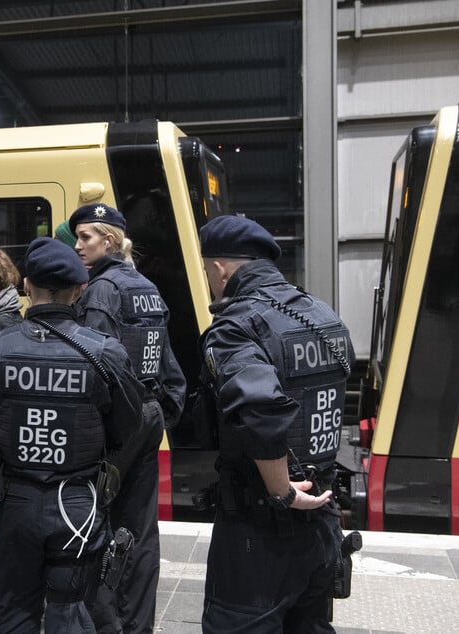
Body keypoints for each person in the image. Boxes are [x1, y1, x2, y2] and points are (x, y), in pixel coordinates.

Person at [0, 237, 145, 633]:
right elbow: (127, 426)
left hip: (14, 501)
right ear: (79, 290)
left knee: (11, 607)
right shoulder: (105, 354)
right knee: (71, 610)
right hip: (76, 504)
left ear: (26, 286)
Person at [196, 215, 355, 633]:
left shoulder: (234, 327)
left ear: (219, 269)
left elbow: (261, 409)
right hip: (322, 520)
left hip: (259, 533)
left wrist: (281, 491)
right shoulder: (321, 313)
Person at [70, 203, 187, 634]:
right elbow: (169, 364)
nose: (78, 245)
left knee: (94, 525)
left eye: (86, 237)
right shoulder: (147, 287)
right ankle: (138, 624)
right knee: (140, 529)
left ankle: (106, 623)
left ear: (111, 241)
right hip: (148, 413)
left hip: (116, 425)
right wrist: (160, 413)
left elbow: (96, 362)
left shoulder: (101, 290)